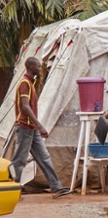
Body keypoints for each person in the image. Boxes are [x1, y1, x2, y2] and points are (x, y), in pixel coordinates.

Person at [11, 57, 71, 199]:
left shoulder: (31, 84)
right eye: (38, 66)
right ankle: (12, 190)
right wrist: (40, 125)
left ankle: (56, 187)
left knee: (44, 158)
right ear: (31, 66)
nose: (40, 68)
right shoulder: (24, 83)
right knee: (19, 161)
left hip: (32, 129)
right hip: (25, 127)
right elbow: (25, 107)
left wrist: (36, 127)